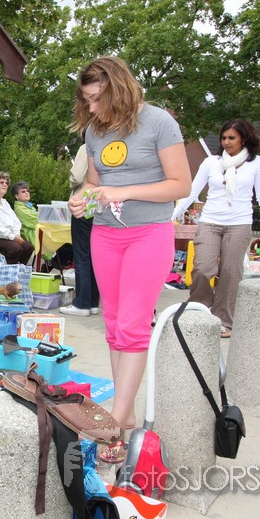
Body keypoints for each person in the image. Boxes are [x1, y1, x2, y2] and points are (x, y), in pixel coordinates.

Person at [66, 56, 192, 464]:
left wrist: (125, 192)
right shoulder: (94, 131)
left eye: (97, 99)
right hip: (106, 235)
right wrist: (82, 199)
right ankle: (127, 410)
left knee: (134, 326)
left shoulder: (158, 122)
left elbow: (181, 184)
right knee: (114, 325)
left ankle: (117, 419)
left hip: (148, 234)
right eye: (86, 100)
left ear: (119, 89)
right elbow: (94, 183)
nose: (91, 108)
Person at [171, 119, 260, 337]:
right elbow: (192, 191)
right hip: (210, 221)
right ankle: (199, 311)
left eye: (232, 138)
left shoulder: (257, 163)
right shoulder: (211, 162)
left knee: (231, 273)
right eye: (223, 138)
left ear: (244, 139)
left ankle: (223, 319)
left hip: (239, 224)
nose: (226, 142)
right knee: (202, 269)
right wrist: (172, 216)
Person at [60, 143, 100, 317]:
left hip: (84, 204)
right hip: (101, 205)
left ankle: (82, 303)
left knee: (82, 255)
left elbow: (76, 176)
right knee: (94, 256)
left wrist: (71, 183)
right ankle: (93, 302)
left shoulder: (88, 145)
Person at [12, 180, 74, 272]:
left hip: (40, 232)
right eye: (23, 191)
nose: (27, 193)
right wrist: (54, 217)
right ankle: (52, 264)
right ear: (16, 196)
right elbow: (38, 219)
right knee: (67, 244)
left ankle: (52, 265)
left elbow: (41, 219)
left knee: (68, 243)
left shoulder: (28, 206)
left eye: (27, 191)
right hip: (34, 236)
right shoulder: (20, 209)